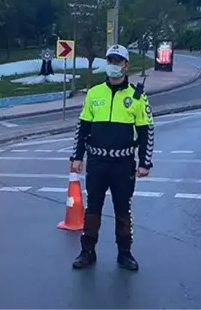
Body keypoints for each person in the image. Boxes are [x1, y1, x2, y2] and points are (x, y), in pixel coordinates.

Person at [69, 44, 154, 271]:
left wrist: (146, 162)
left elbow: (147, 131)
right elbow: (83, 128)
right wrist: (76, 157)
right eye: (110, 61)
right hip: (97, 163)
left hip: (123, 164)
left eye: (117, 62)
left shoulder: (137, 96)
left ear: (126, 66)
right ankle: (87, 251)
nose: (113, 66)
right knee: (92, 208)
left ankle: (124, 253)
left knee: (122, 208)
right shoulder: (94, 93)